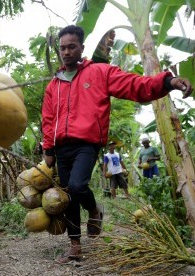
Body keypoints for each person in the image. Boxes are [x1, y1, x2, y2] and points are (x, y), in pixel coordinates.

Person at [41, 25, 192, 264]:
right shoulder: (54, 85)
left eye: (71, 47)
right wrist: (48, 149)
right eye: (62, 48)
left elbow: (136, 86)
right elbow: (48, 119)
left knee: (77, 185)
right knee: (67, 195)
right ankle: (75, 245)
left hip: (86, 144)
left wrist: (168, 82)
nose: (66, 52)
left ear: (81, 48)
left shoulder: (100, 72)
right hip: (61, 147)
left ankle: (94, 211)